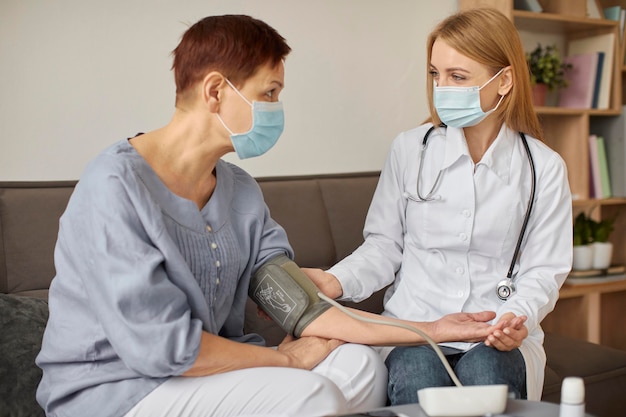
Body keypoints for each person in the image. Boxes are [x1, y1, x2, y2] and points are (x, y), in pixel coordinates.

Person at [36, 14, 509, 417]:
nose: (275, 110)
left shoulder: (239, 191)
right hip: (120, 390)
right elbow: (164, 347)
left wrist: (431, 330)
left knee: (362, 367)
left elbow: (300, 305)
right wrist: (287, 363)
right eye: (269, 93)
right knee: (311, 394)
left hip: (203, 376)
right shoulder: (114, 188)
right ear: (217, 91)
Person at [304, 7, 573, 406]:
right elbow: (384, 247)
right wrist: (334, 281)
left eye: (458, 77)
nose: (441, 87)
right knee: (419, 377)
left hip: (494, 327)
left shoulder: (543, 168)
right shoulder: (410, 150)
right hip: (418, 323)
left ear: (504, 82)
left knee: (488, 375)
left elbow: (543, 271)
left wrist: (515, 320)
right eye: (435, 74)